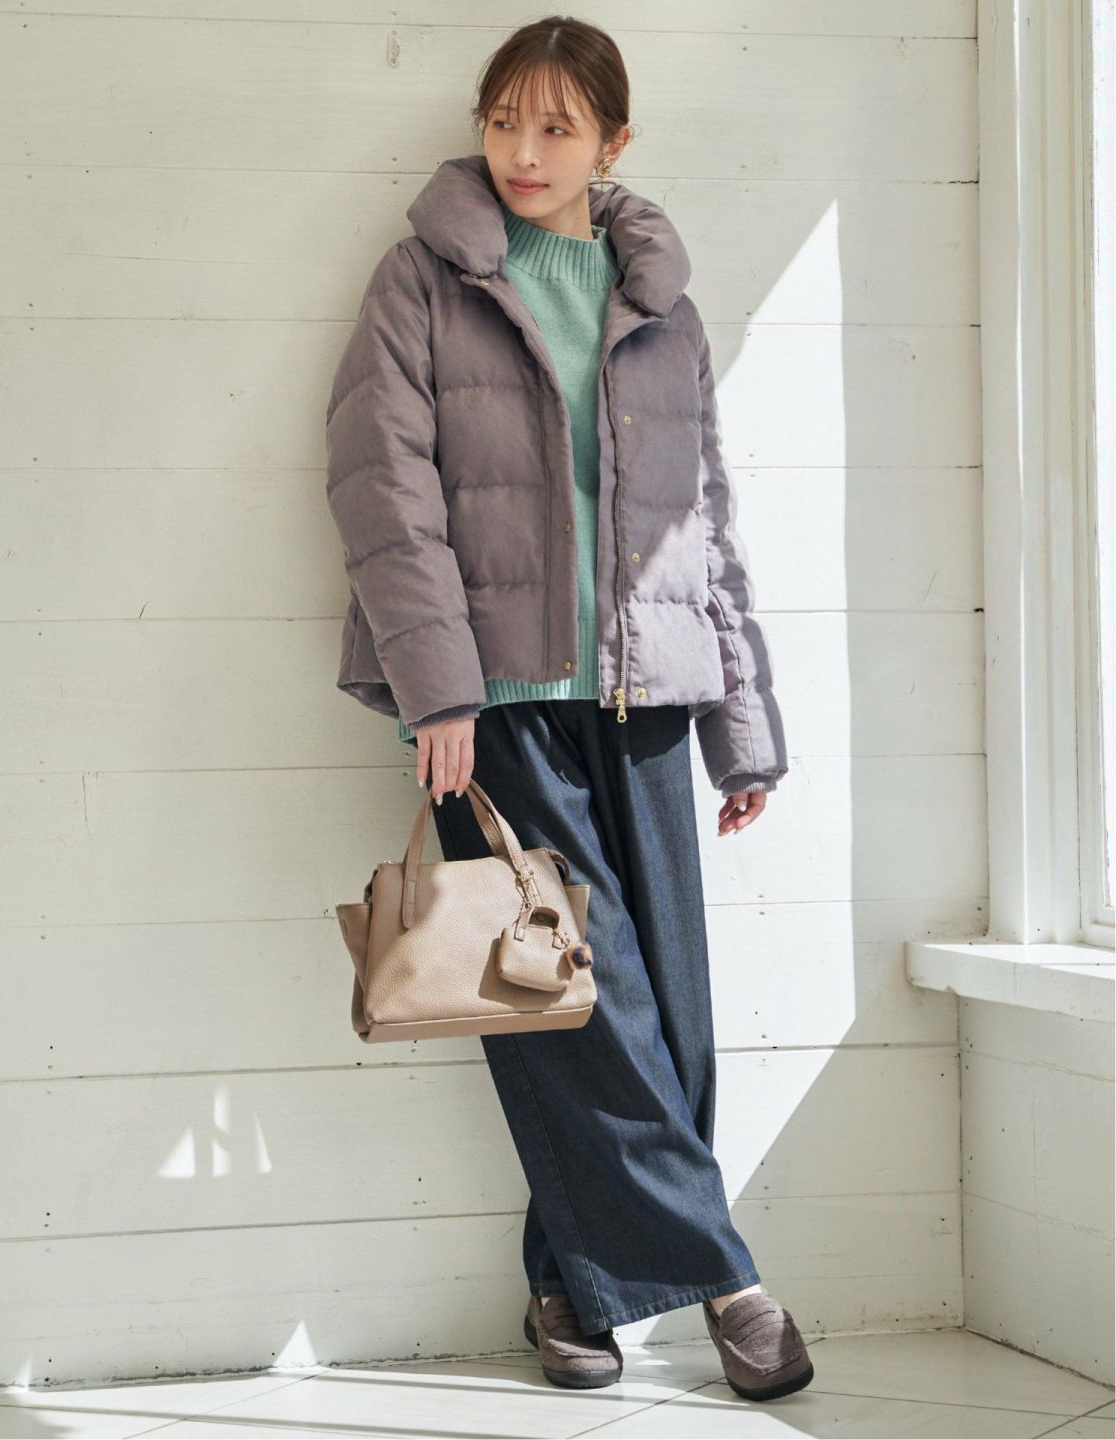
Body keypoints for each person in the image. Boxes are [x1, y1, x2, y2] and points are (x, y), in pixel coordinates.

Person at [325, 14, 813, 1401]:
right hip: (497, 710)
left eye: (556, 127)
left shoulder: (661, 302)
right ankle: (730, 1279)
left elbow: (703, 523)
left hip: (649, 698)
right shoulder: (422, 283)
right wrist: (438, 687)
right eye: (504, 121)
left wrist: (742, 729)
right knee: (582, 1007)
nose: (523, 151)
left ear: (613, 142)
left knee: (661, 1018)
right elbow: (383, 488)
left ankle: (569, 1289)